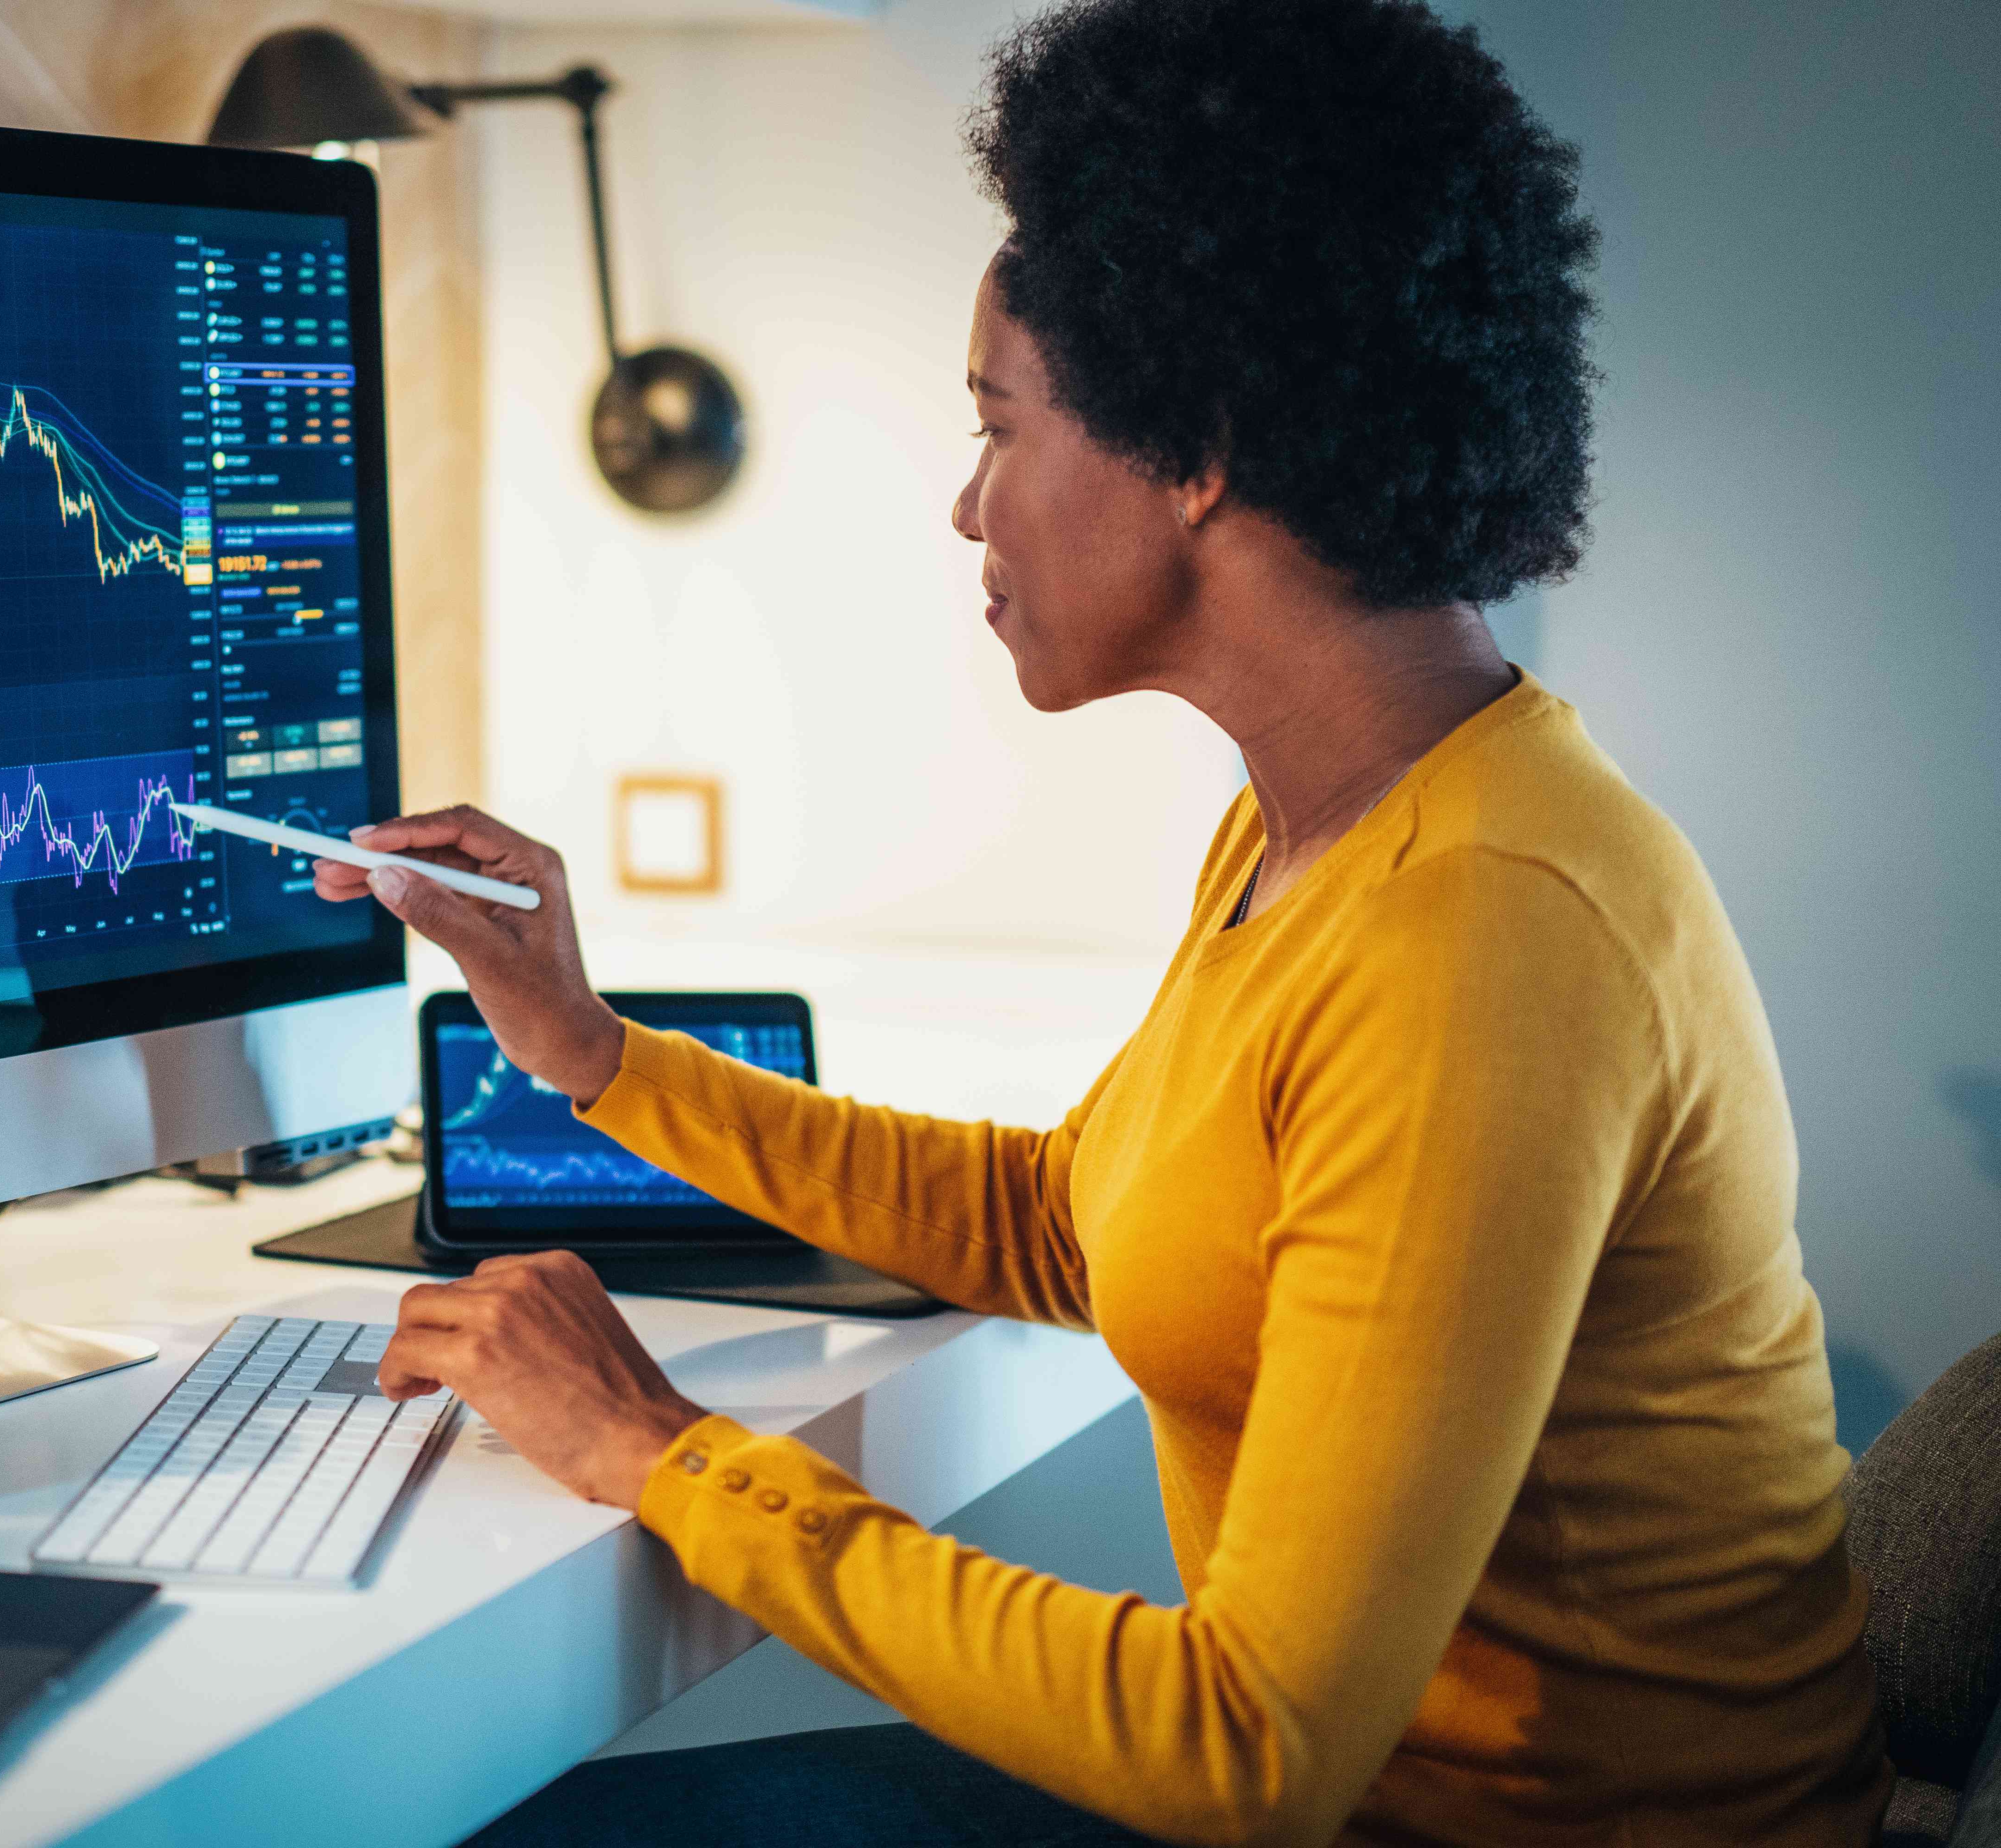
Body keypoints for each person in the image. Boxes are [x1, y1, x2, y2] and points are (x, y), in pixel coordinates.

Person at [315, 0, 1889, 1842]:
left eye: (997, 424)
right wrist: (585, 1050)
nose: (971, 504)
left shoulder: (1481, 932)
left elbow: (1247, 1752)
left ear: (1194, 443)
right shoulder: (1327, 825)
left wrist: (661, 1452)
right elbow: (1064, 1219)